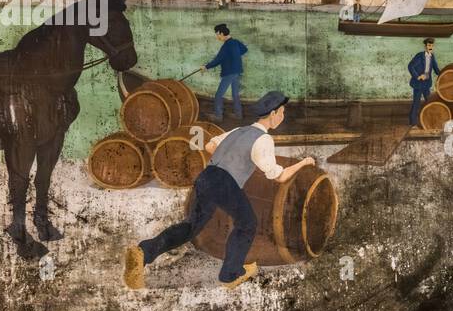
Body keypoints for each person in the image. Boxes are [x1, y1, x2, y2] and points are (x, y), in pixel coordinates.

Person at [124, 92, 315, 290]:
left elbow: (209, 146)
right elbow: (279, 176)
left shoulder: (238, 130)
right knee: (247, 223)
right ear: (273, 113)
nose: (283, 117)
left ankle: (143, 252)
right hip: (224, 182)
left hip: (206, 177)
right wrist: (303, 163)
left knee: (190, 227)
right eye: (282, 112)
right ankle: (230, 274)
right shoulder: (264, 139)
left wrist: (235, 157)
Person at [201, 23, 248, 121]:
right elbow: (244, 49)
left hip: (229, 73)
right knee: (235, 94)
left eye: (217, 34)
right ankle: (238, 115)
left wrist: (206, 67)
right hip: (237, 71)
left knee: (218, 94)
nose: (217, 37)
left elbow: (218, 60)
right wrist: (234, 56)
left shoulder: (226, 46)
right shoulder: (235, 42)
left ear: (222, 33)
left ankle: (218, 116)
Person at [407, 38, 441, 127]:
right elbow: (410, 66)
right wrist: (417, 76)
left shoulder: (432, 56)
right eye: (429, 45)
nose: (431, 47)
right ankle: (413, 122)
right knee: (416, 103)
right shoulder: (420, 55)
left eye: (432, 45)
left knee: (429, 102)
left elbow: (436, 69)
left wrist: (443, 74)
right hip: (418, 84)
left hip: (426, 84)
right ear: (425, 46)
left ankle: (430, 120)